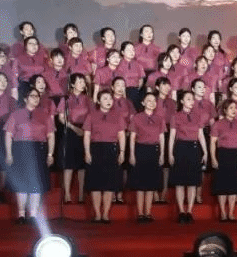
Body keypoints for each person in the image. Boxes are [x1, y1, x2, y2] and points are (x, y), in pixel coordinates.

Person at [4, 89, 56, 224]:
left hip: (39, 149)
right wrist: (9, 153)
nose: (35, 98)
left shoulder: (45, 115)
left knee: (36, 183)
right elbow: (8, 135)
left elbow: (51, 135)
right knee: (21, 183)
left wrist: (50, 153)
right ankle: (21, 214)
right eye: (32, 96)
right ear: (25, 99)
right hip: (20, 149)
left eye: (37, 96)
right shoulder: (16, 114)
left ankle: (32, 215)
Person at [83, 91, 126, 224]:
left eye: (110, 99)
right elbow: (87, 135)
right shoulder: (91, 115)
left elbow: (121, 135)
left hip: (112, 149)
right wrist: (87, 152)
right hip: (96, 149)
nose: (108, 101)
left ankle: (106, 214)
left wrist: (122, 152)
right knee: (95, 183)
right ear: (99, 101)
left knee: (109, 184)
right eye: (105, 98)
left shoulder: (118, 116)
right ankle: (97, 214)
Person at [169, 90, 208, 223]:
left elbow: (200, 135)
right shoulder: (176, 116)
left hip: (194, 148)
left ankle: (189, 211)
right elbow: (172, 136)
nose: (191, 101)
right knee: (180, 182)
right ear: (182, 101)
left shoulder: (197, 116)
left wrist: (205, 151)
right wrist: (170, 153)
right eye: (188, 99)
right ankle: (181, 211)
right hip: (180, 148)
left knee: (192, 182)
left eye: (192, 99)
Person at [127, 92, 167, 223]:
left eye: (154, 101)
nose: (152, 103)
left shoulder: (159, 118)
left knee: (151, 184)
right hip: (140, 150)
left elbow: (161, 137)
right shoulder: (137, 118)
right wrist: (132, 154)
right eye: (148, 100)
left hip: (154, 151)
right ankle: (140, 214)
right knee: (140, 185)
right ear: (143, 103)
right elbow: (132, 137)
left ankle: (148, 213)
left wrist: (162, 154)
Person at [209, 99, 237, 222]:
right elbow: (212, 142)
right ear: (225, 110)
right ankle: (222, 213)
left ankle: (231, 213)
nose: (234, 110)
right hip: (223, 154)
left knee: (233, 185)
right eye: (231, 108)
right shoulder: (218, 124)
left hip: (236, 155)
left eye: (235, 108)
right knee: (222, 185)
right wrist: (213, 158)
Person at [58, 73, 92, 204]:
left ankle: (81, 194)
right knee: (69, 164)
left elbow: (92, 115)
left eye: (83, 82)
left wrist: (85, 129)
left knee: (82, 165)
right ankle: (67, 194)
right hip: (71, 131)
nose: (83, 84)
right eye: (79, 82)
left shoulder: (87, 99)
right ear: (72, 84)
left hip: (85, 131)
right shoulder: (66, 99)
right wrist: (73, 127)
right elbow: (61, 118)